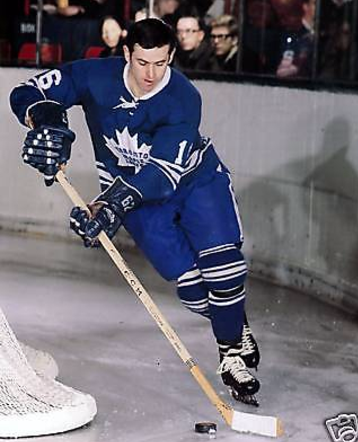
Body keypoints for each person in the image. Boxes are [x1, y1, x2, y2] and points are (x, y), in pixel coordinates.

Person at [9, 18, 261, 405]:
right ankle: (235, 322)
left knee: (224, 268)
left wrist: (108, 206)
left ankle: (230, 355)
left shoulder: (183, 97)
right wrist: (44, 118)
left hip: (195, 182)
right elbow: (26, 90)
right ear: (126, 53)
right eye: (143, 62)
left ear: (171, 57)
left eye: (160, 63)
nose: (151, 73)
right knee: (193, 290)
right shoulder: (94, 75)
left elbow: (161, 174)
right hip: (138, 202)